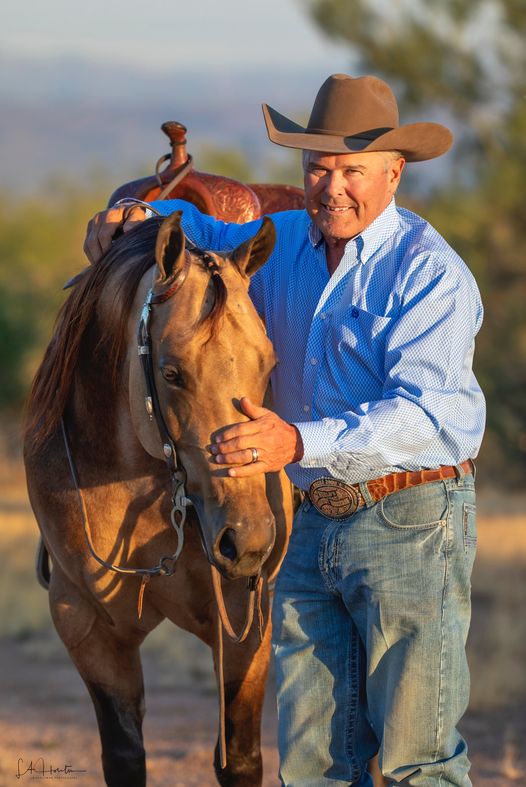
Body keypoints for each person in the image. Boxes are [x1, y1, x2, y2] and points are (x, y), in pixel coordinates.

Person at [85, 74, 485, 786]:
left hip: (411, 516)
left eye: (352, 171)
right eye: (318, 168)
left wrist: (297, 442)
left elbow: (423, 412)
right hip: (305, 525)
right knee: (314, 756)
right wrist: (136, 211)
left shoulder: (429, 274)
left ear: (394, 172)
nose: (331, 187)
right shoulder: (291, 242)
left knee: (415, 756)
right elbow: (199, 229)